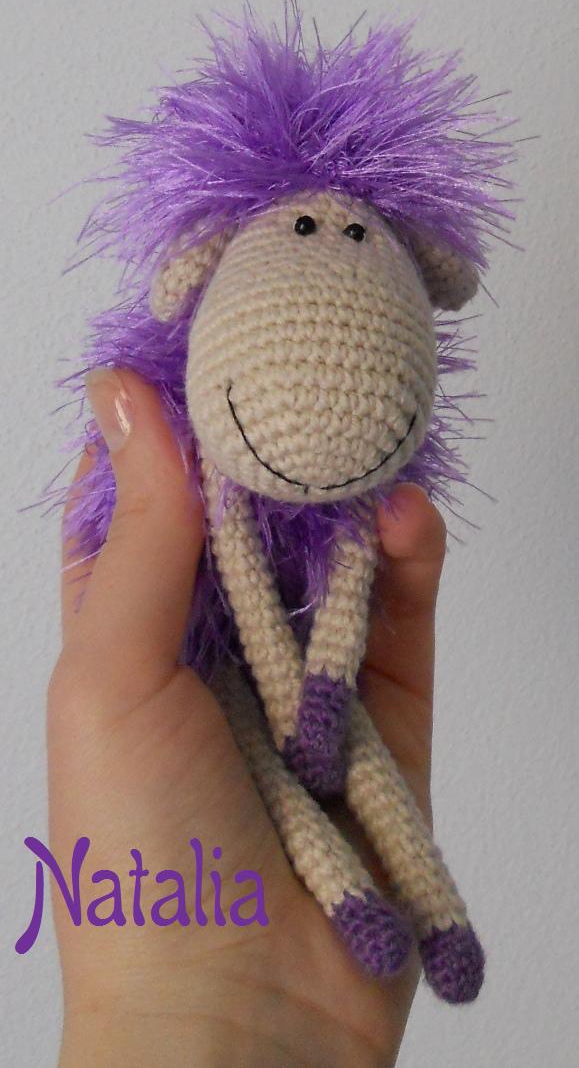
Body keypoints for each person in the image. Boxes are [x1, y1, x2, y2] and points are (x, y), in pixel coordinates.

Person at [49, 367, 448, 1067]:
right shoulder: (218, 489)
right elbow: (253, 607)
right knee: (278, 783)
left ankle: (443, 921)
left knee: (368, 772)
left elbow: (344, 592)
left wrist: (325, 683)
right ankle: (356, 899)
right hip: (222, 668)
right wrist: (304, 699)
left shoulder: (355, 508)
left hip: (316, 676)